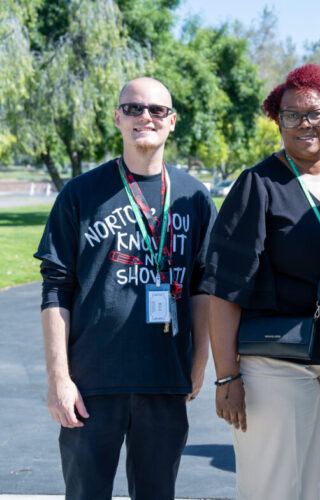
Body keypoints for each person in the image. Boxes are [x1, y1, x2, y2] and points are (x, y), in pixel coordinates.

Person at [199, 64, 320, 500]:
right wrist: (226, 377)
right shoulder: (257, 185)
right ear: (277, 121)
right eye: (291, 115)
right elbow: (224, 288)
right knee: (280, 489)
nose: (304, 124)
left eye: (314, 114)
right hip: (276, 363)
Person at [35, 77, 216, 499]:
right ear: (117, 117)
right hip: (92, 382)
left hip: (165, 379)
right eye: (133, 108)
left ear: (172, 122)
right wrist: (59, 378)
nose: (144, 117)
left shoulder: (194, 196)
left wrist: (199, 364)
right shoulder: (81, 193)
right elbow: (56, 289)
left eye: (156, 110)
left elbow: (203, 288)